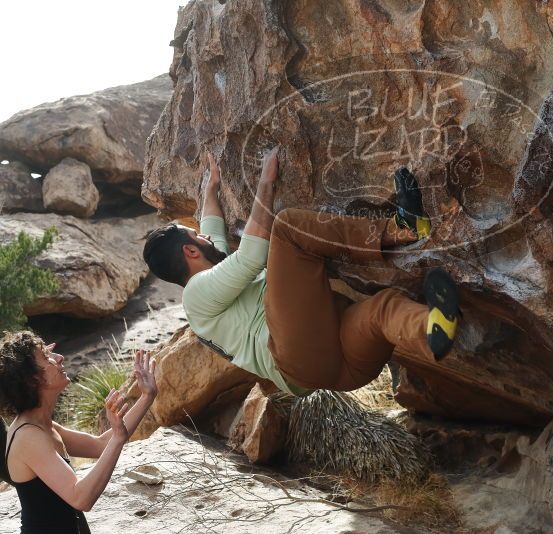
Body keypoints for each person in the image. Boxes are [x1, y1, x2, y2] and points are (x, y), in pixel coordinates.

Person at [142, 148, 460, 394]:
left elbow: (213, 227)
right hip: (295, 355)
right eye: (197, 236)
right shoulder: (197, 295)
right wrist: (266, 181)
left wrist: (210, 190)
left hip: (338, 371)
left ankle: (433, 326)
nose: (205, 233)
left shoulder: (211, 277)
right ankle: (402, 229)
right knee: (288, 228)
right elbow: (252, 256)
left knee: (382, 309)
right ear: (191, 251)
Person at [0, 332, 158, 534]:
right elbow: (81, 498)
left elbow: (100, 445)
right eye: (47, 357)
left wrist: (147, 396)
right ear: (32, 380)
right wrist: (118, 438)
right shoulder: (28, 436)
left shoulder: (41, 425)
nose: (59, 358)